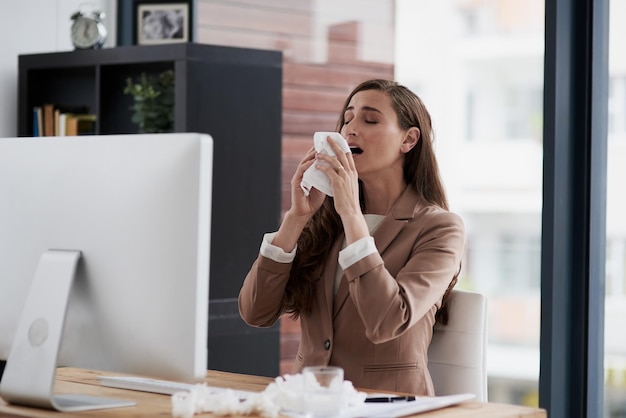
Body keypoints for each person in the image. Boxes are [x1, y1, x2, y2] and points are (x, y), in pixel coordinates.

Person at [238, 79, 465, 396]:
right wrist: (296, 218)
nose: (350, 129)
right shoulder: (325, 222)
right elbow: (255, 312)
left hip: (388, 406)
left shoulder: (440, 228)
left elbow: (388, 321)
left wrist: (351, 214)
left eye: (370, 119)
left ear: (409, 140)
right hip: (309, 404)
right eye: (347, 119)